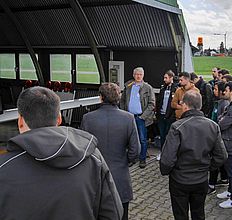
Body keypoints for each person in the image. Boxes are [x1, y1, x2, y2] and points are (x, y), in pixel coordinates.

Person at [0, 87, 123, 220]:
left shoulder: (4, 167)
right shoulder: (93, 158)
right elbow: (113, 213)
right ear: (59, 118)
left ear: (20, 121)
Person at [160, 90, 228, 220]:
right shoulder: (213, 126)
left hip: (180, 180)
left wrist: (167, 171)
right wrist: (207, 167)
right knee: (199, 214)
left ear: (185, 105)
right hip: (201, 179)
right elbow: (222, 155)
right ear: (200, 106)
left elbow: (167, 160)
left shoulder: (177, 127)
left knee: (181, 215)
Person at [81, 83, 140, 220]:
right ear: (118, 97)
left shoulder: (88, 118)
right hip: (120, 179)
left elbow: (83, 149)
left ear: (100, 97)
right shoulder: (128, 118)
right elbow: (135, 151)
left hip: (94, 180)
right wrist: (126, 161)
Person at [120, 67, 155, 168]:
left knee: (142, 139)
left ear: (143, 75)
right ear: (133, 75)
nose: (138, 76)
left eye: (140, 74)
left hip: (141, 118)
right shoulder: (128, 86)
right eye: (136, 74)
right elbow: (122, 100)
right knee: (130, 139)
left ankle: (142, 159)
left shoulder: (148, 88)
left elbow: (151, 104)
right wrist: (124, 112)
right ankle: (132, 158)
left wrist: (143, 117)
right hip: (129, 117)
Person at [208, 81, 230, 194]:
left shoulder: (224, 104)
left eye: (216, 89)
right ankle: (224, 178)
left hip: (218, 136)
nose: (214, 91)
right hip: (214, 134)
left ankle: (211, 185)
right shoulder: (217, 102)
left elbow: (222, 121)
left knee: (215, 159)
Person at [156, 70, 178, 158]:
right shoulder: (163, 88)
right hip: (161, 115)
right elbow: (159, 101)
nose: (164, 79)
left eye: (166, 78)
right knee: (162, 135)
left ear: (171, 78)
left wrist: (171, 115)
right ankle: (162, 152)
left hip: (170, 117)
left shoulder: (176, 89)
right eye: (164, 78)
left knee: (168, 136)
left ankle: (169, 154)